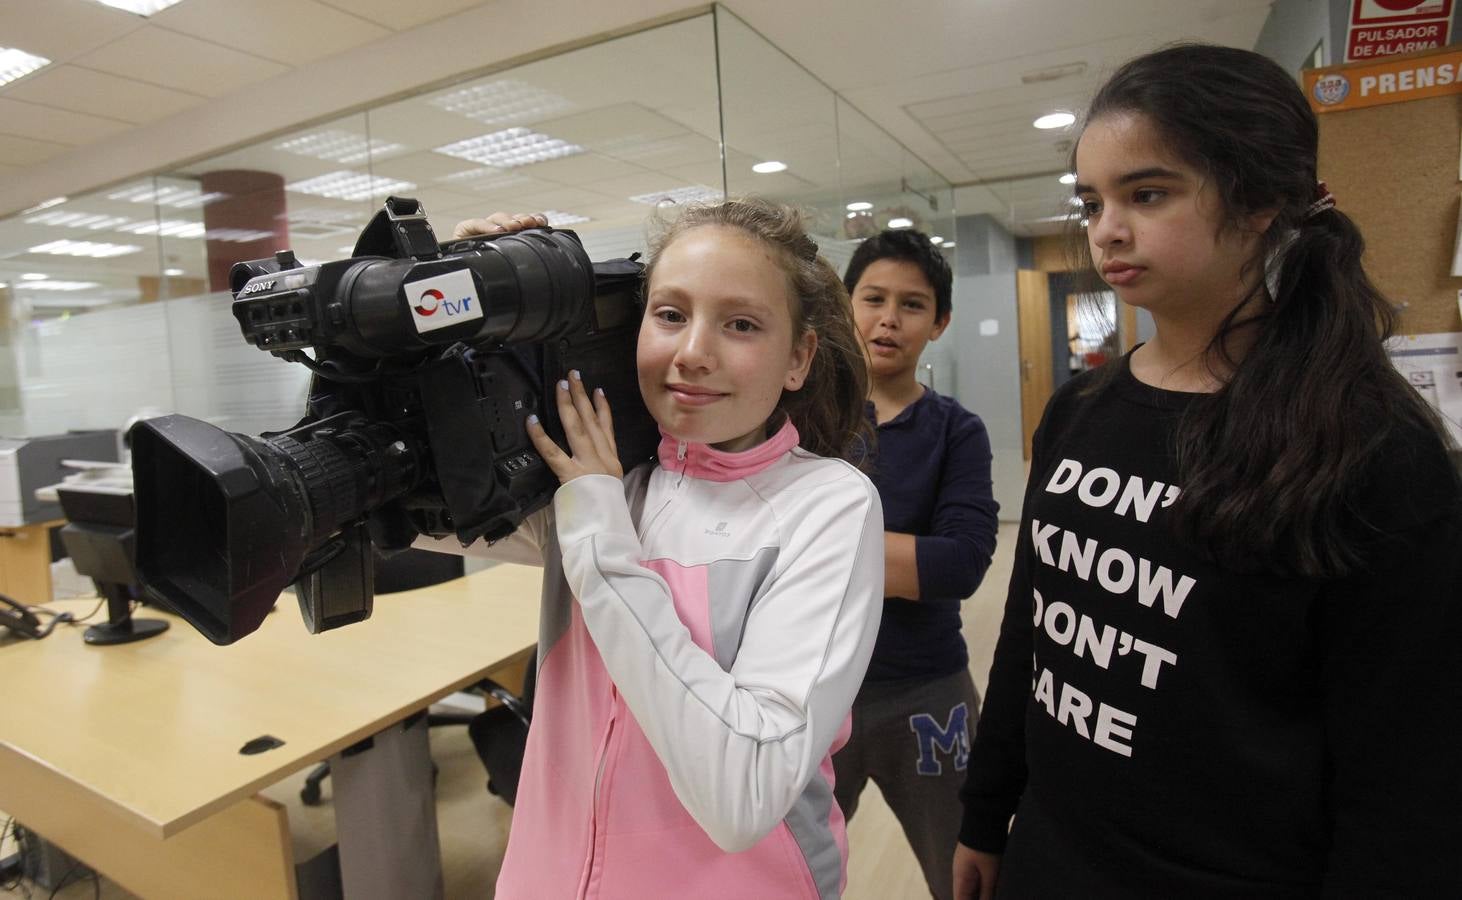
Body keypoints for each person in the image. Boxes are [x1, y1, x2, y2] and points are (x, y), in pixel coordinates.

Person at [953, 43, 1462, 898]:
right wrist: (986, 807)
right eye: (1092, 201)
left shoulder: (1374, 450)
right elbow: (1032, 630)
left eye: (1147, 193)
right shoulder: (1080, 413)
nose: (1107, 228)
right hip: (1052, 854)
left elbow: (1409, 776)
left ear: (1261, 199)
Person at [426, 200, 884, 898]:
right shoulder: (596, 480)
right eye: (670, 314)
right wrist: (444, 310)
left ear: (799, 358)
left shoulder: (826, 506)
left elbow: (743, 796)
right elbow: (382, 509)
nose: (693, 353)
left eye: (740, 324)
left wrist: (600, 535)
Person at [829, 228, 998, 900]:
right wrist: (903, 559)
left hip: (928, 694)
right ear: (844, 306)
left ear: (940, 323)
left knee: (965, 874)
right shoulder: (800, 422)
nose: (887, 319)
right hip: (809, 690)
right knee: (782, 874)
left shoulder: (958, 431)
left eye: (912, 305)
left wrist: (804, 548)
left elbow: (959, 564)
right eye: (872, 298)